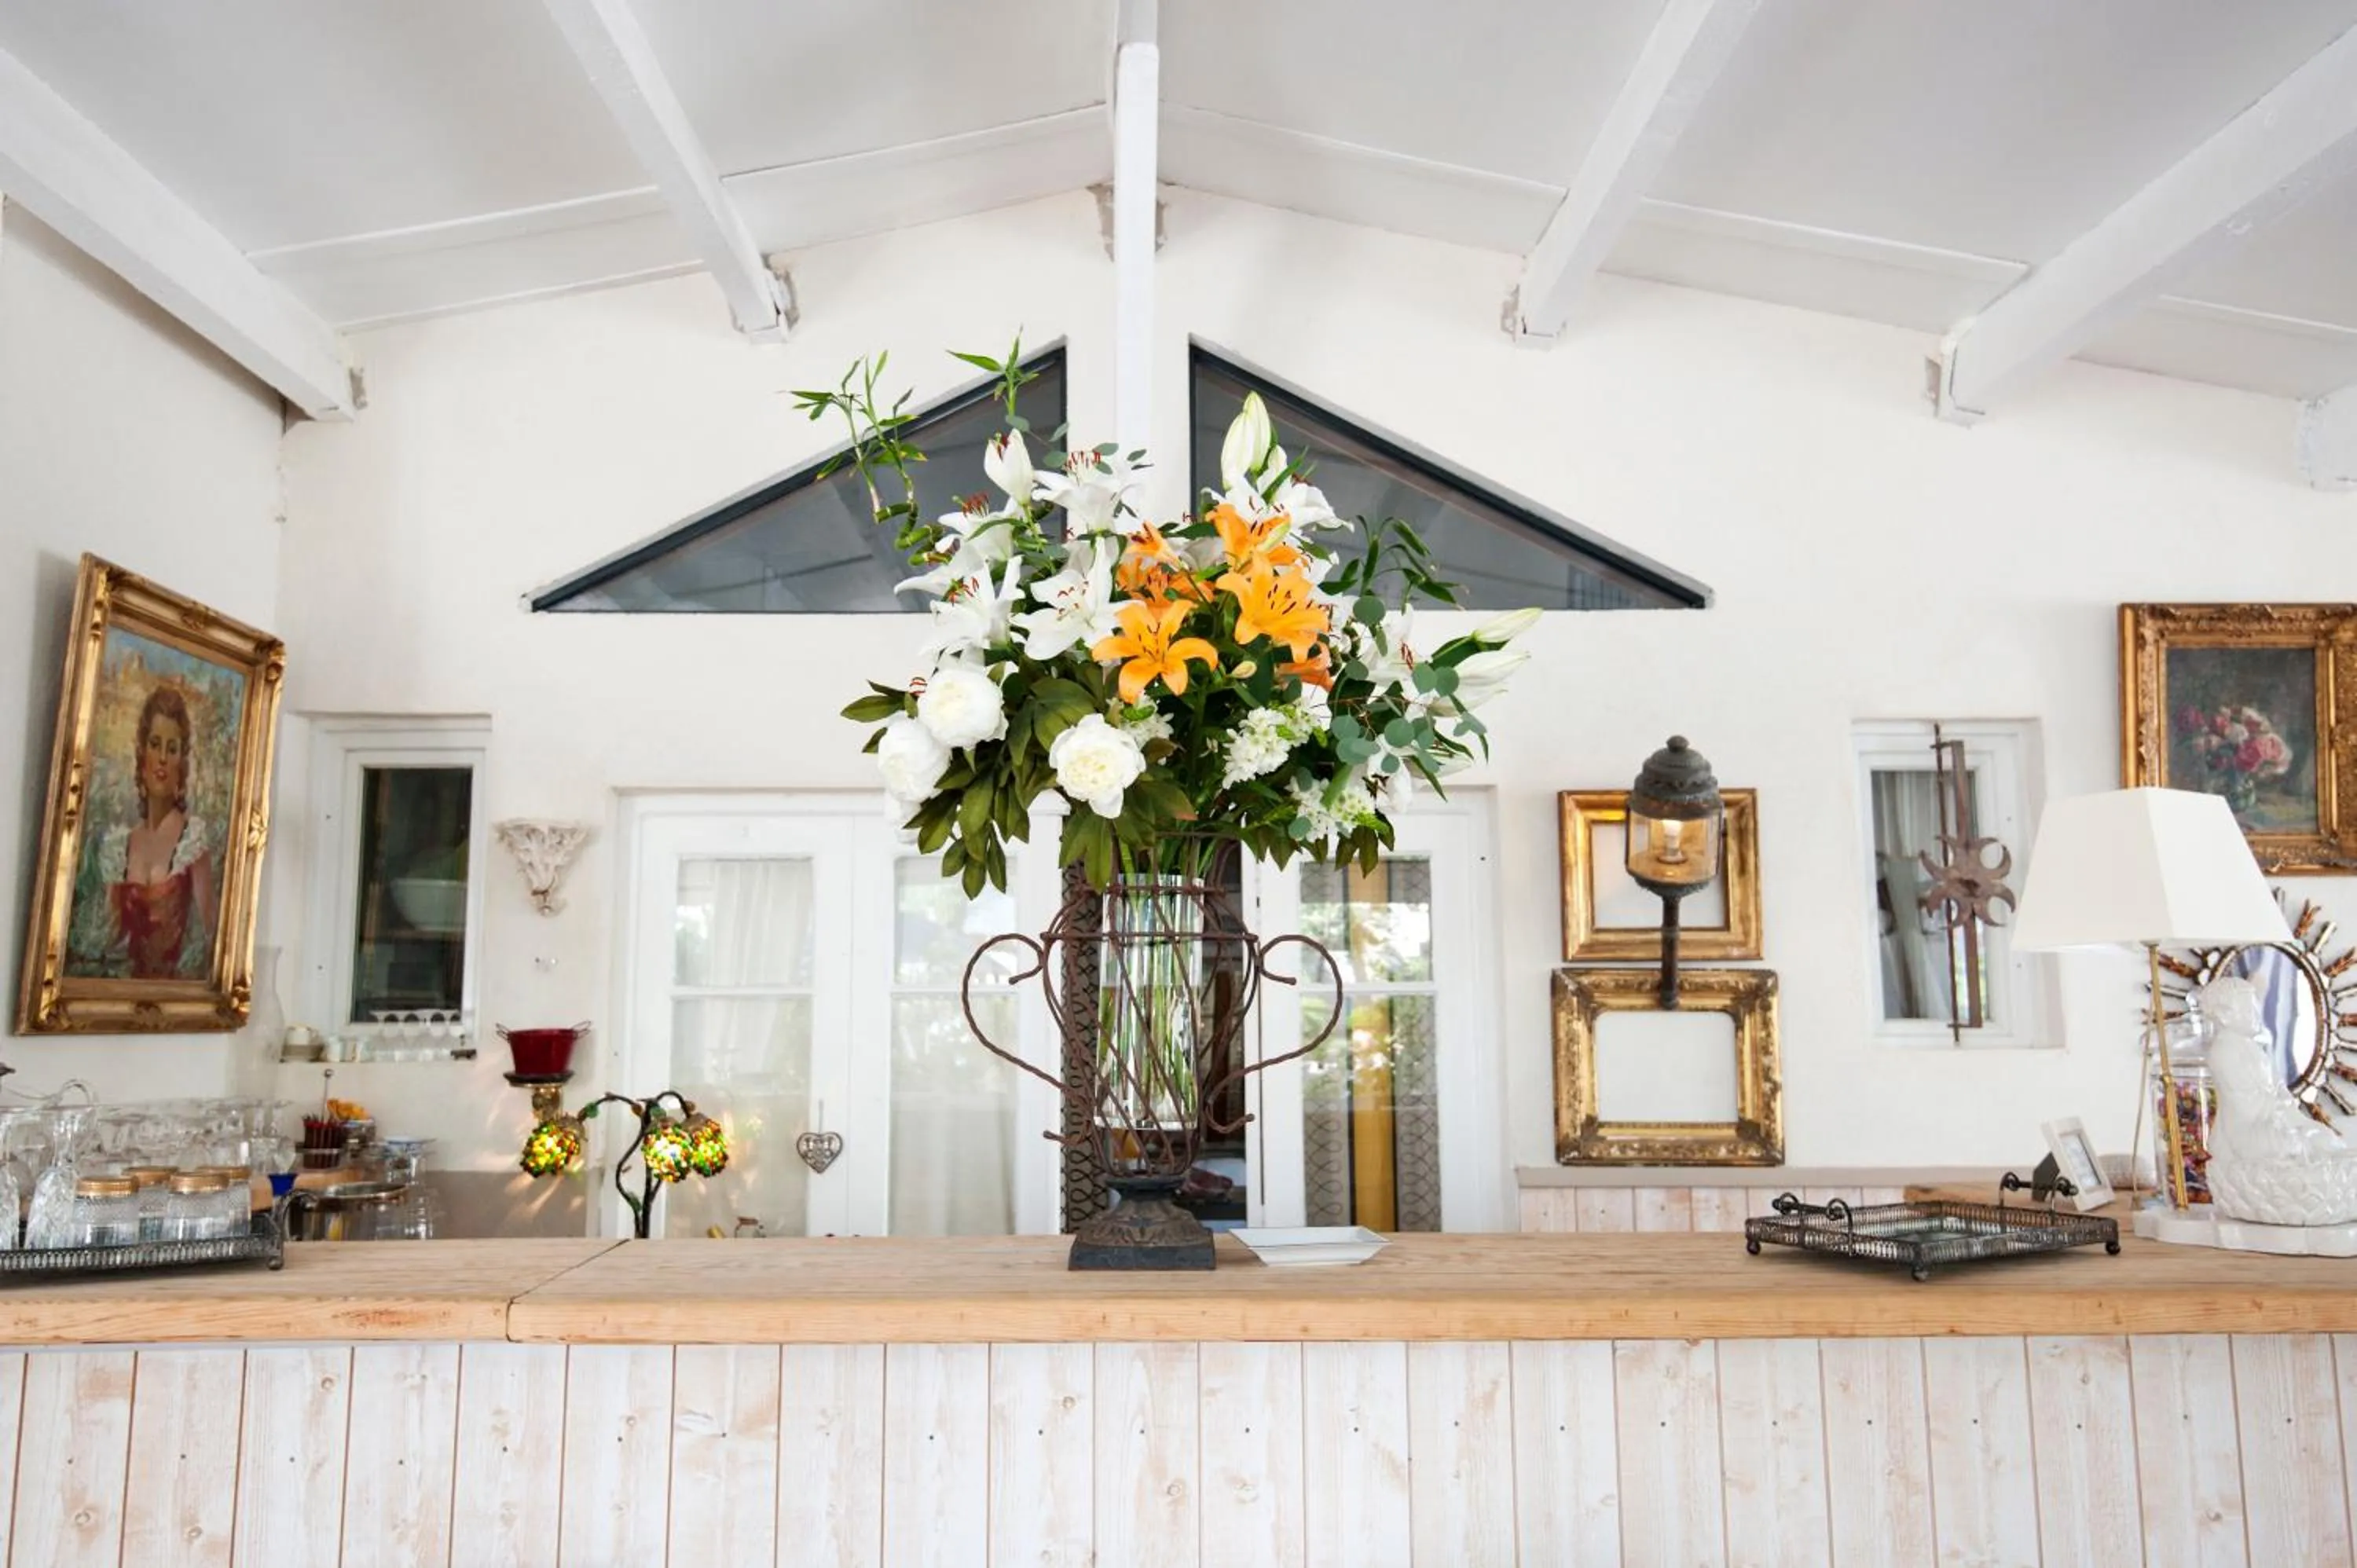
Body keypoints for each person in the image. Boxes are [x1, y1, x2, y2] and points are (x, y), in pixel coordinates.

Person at [79, 684, 214, 978]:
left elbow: (209, 944)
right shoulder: (121, 845)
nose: (163, 758)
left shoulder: (193, 841)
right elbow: (109, 938)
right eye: (155, 744)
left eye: (172, 748)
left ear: (182, 761)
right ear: (142, 754)